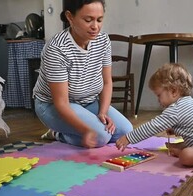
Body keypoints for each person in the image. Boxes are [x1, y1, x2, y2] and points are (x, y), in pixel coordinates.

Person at [33, 0, 132, 148]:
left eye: (99, 20)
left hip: (88, 101)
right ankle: (58, 134)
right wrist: (86, 131)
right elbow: (61, 103)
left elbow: (107, 82)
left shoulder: (103, 40)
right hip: (52, 105)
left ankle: (79, 132)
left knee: (126, 132)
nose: (95, 26)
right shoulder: (56, 49)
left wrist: (103, 113)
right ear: (70, 17)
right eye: (88, 20)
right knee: (101, 136)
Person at [115, 63, 193, 167]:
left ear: (173, 91)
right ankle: (187, 150)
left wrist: (129, 138)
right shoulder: (189, 101)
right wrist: (175, 128)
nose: (158, 100)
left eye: (158, 95)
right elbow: (191, 128)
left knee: (186, 156)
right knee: (180, 144)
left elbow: (152, 126)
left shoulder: (176, 109)